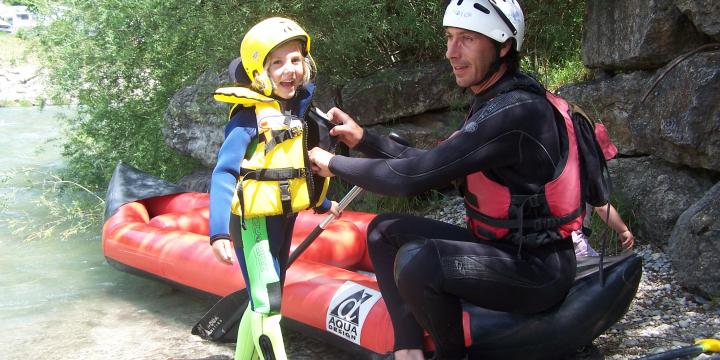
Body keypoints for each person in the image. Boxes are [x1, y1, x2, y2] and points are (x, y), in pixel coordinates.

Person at [308, 1, 596, 359]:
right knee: (383, 231)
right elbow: (433, 167)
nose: (451, 52)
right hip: (502, 250)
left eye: (467, 39)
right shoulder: (492, 102)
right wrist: (363, 139)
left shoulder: (517, 112)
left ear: (504, 46)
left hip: (537, 270)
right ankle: (408, 348)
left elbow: (410, 179)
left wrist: (333, 163)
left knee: (419, 261)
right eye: (449, 37)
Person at [208, 17, 339, 360]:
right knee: (269, 303)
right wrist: (219, 232)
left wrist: (323, 205)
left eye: (295, 60)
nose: (289, 70)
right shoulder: (247, 117)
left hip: (282, 218)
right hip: (252, 222)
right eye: (277, 62)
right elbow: (224, 172)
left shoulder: (294, 110)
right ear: (259, 70)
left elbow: (297, 169)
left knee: (263, 300)